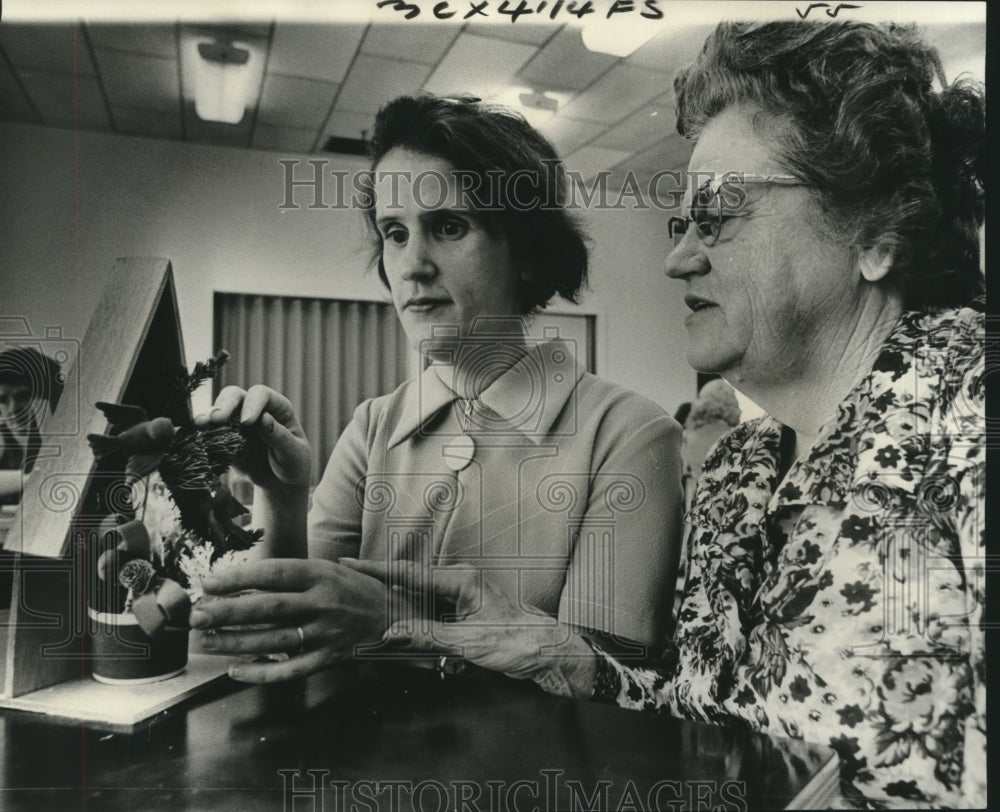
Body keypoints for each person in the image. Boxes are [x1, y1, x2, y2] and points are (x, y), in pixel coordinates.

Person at [346, 21, 986, 808]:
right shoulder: (735, 478)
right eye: (681, 222)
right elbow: (697, 726)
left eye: (719, 214)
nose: (677, 257)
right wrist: (557, 655)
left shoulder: (971, 419)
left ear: (878, 234)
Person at [190, 94, 683, 683]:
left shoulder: (630, 436)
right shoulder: (373, 426)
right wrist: (281, 495)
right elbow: (293, 630)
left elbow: (608, 693)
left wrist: (393, 623)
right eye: (394, 233)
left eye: (449, 227)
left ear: (527, 253)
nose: (412, 265)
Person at [0, 346, 62, 505]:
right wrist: (30, 479)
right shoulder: (4, 437)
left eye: (22, 396)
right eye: (2, 400)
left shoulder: (61, 438)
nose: (13, 409)